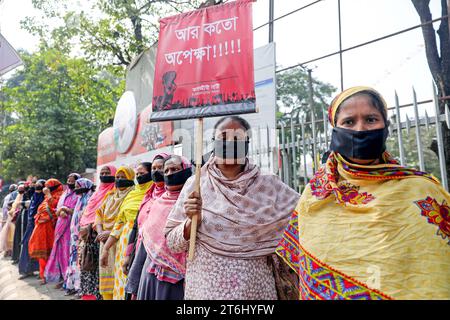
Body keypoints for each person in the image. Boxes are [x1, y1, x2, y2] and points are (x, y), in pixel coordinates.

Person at [276, 86, 450, 300]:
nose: (360, 129)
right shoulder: (317, 193)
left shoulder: (422, 190)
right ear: (335, 128)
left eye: (371, 119)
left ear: (385, 126)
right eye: (349, 122)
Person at [165, 115, 300, 299]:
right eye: (223, 138)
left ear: (247, 143)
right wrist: (190, 222)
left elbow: (306, 220)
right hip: (206, 292)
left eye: (236, 139)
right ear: (214, 142)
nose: (229, 143)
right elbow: (173, 244)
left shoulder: (269, 185)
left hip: (257, 294)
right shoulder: (196, 184)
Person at [136, 155, 191, 300]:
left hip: (178, 278)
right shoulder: (159, 202)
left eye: (175, 169)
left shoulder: (192, 200)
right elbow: (146, 237)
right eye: (166, 171)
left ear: (186, 170)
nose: (170, 173)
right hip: (151, 270)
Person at [100, 162, 153, 300]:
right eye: (138, 174)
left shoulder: (153, 193)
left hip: (142, 242)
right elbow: (119, 223)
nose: (139, 176)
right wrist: (106, 249)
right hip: (123, 243)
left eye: (143, 173)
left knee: (135, 280)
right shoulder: (133, 194)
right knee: (121, 277)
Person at [124, 153, 170, 299]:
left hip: (162, 258)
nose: (157, 172)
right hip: (140, 252)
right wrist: (127, 255)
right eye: (154, 168)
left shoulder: (175, 195)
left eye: (161, 168)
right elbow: (135, 227)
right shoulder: (148, 196)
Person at [95, 166, 135, 300]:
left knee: (119, 278)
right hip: (104, 242)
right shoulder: (110, 195)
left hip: (120, 242)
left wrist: (110, 233)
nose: (119, 180)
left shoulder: (132, 195)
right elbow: (98, 214)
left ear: (130, 178)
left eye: (123, 177)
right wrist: (101, 232)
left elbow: (125, 221)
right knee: (106, 275)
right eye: (117, 177)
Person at [78, 167, 116, 301]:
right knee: (88, 269)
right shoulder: (96, 193)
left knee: (100, 271)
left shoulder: (114, 192)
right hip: (88, 238)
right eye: (102, 174)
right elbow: (89, 213)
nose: (104, 176)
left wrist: (92, 228)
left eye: (107, 173)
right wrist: (85, 229)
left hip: (105, 238)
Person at [44, 173, 80, 288]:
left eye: (72, 181)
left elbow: (80, 210)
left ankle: (69, 280)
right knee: (60, 253)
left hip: (72, 228)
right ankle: (63, 278)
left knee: (69, 253)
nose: (70, 183)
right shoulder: (65, 194)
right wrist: (60, 211)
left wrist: (67, 210)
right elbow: (57, 208)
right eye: (68, 181)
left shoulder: (79, 195)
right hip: (61, 227)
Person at [28, 179, 64, 285]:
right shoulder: (46, 198)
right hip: (41, 229)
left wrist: (48, 194)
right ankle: (43, 275)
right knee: (42, 254)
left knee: (52, 254)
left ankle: (51, 276)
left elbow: (55, 207)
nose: (46, 188)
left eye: (49, 186)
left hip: (52, 230)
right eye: (46, 186)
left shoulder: (60, 196)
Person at [64, 177, 93, 298]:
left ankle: (80, 288)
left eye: (78, 186)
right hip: (74, 237)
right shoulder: (79, 199)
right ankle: (72, 286)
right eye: (75, 187)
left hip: (83, 237)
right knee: (74, 261)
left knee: (81, 262)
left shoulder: (89, 200)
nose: (76, 189)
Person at [18, 179, 46, 278]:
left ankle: (40, 271)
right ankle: (26, 270)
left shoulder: (45, 197)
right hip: (31, 225)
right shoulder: (34, 195)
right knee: (26, 246)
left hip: (40, 225)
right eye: (36, 184)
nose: (37, 186)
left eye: (39, 185)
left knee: (39, 248)